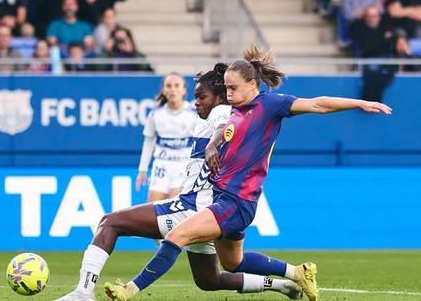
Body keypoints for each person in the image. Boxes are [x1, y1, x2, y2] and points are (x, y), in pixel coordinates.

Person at [102, 45, 392, 301]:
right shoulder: (235, 111)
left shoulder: (270, 105)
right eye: (225, 89)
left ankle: (129, 290)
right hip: (228, 201)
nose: (228, 94)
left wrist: (360, 103)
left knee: (176, 236)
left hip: (235, 201)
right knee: (232, 264)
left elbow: (318, 104)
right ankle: (297, 273)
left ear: (253, 84)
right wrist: (213, 147)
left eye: (233, 88)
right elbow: (220, 133)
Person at [54, 65, 304, 301]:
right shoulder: (217, 114)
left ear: (218, 97)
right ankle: (284, 285)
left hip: (194, 208)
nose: (196, 102)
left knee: (110, 222)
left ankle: (83, 292)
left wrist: (214, 143)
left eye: (201, 96)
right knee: (209, 279)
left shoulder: (221, 112)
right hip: (209, 211)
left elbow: (225, 125)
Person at [136, 73, 196, 202]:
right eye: (169, 86)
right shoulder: (156, 114)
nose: (173, 89)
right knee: (152, 210)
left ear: (184, 90)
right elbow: (148, 142)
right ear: (164, 90)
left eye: (176, 85)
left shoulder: (193, 114)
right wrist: (142, 169)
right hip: (161, 167)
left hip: (183, 167)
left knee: (174, 211)